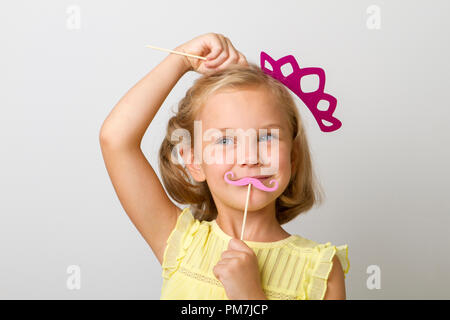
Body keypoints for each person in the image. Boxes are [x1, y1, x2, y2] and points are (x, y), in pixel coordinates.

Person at [99, 32, 350, 300]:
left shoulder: (320, 269)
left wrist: (250, 296)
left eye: (266, 137)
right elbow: (116, 140)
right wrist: (182, 59)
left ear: (293, 156)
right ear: (194, 161)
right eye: (226, 140)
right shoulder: (181, 242)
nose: (249, 157)